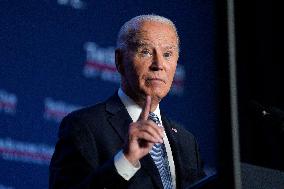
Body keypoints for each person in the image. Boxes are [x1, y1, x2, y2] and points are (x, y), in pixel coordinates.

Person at [49, 14, 205, 189]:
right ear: (120, 60)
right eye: (145, 51)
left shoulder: (187, 141)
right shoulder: (84, 126)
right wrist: (126, 160)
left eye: (167, 54)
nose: (159, 64)